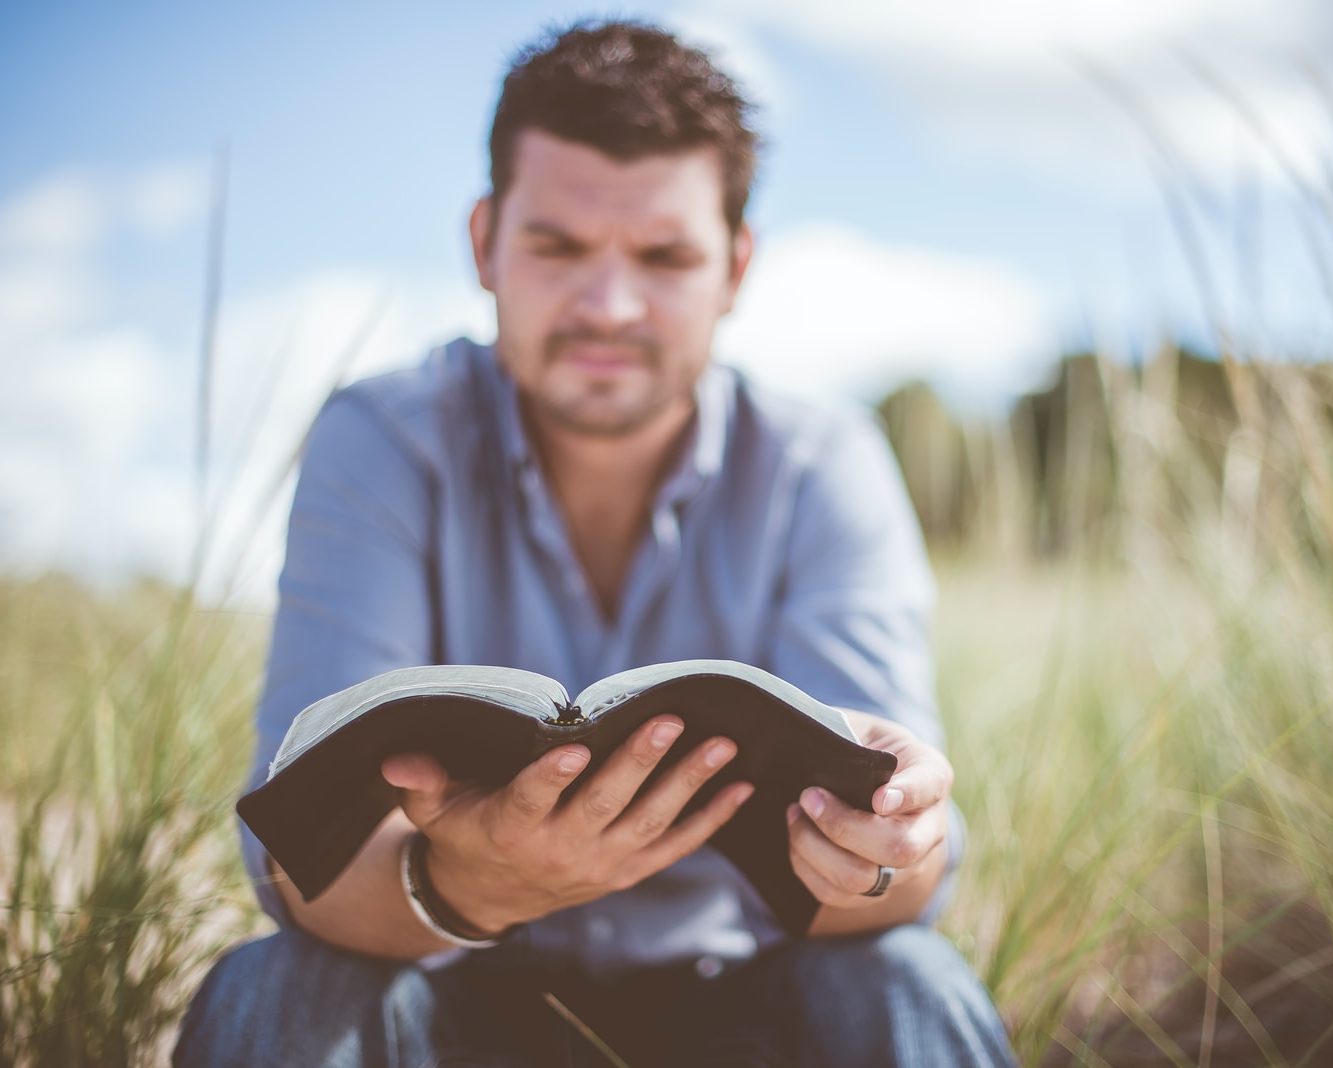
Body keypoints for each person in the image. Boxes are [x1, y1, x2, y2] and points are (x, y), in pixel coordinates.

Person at [175, 18, 1015, 1068]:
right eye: (559, 247)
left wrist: (889, 849)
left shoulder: (822, 463)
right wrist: (471, 884)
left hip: (738, 1003)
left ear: (734, 268)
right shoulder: (381, 440)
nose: (609, 306)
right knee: (278, 989)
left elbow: (904, 889)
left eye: (664, 257)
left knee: (906, 980)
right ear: (484, 243)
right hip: (450, 995)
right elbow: (296, 868)